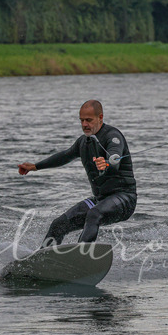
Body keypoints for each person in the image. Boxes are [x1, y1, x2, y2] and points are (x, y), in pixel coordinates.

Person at [17, 100, 137, 247]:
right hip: (100, 200)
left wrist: (106, 163)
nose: (84, 124)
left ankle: (81, 257)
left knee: (94, 214)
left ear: (100, 117)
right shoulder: (83, 142)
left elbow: (114, 158)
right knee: (59, 224)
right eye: (82, 120)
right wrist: (36, 166)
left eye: (89, 120)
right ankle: (42, 261)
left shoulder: (113, 136)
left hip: (124, 199)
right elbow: (64, 156)